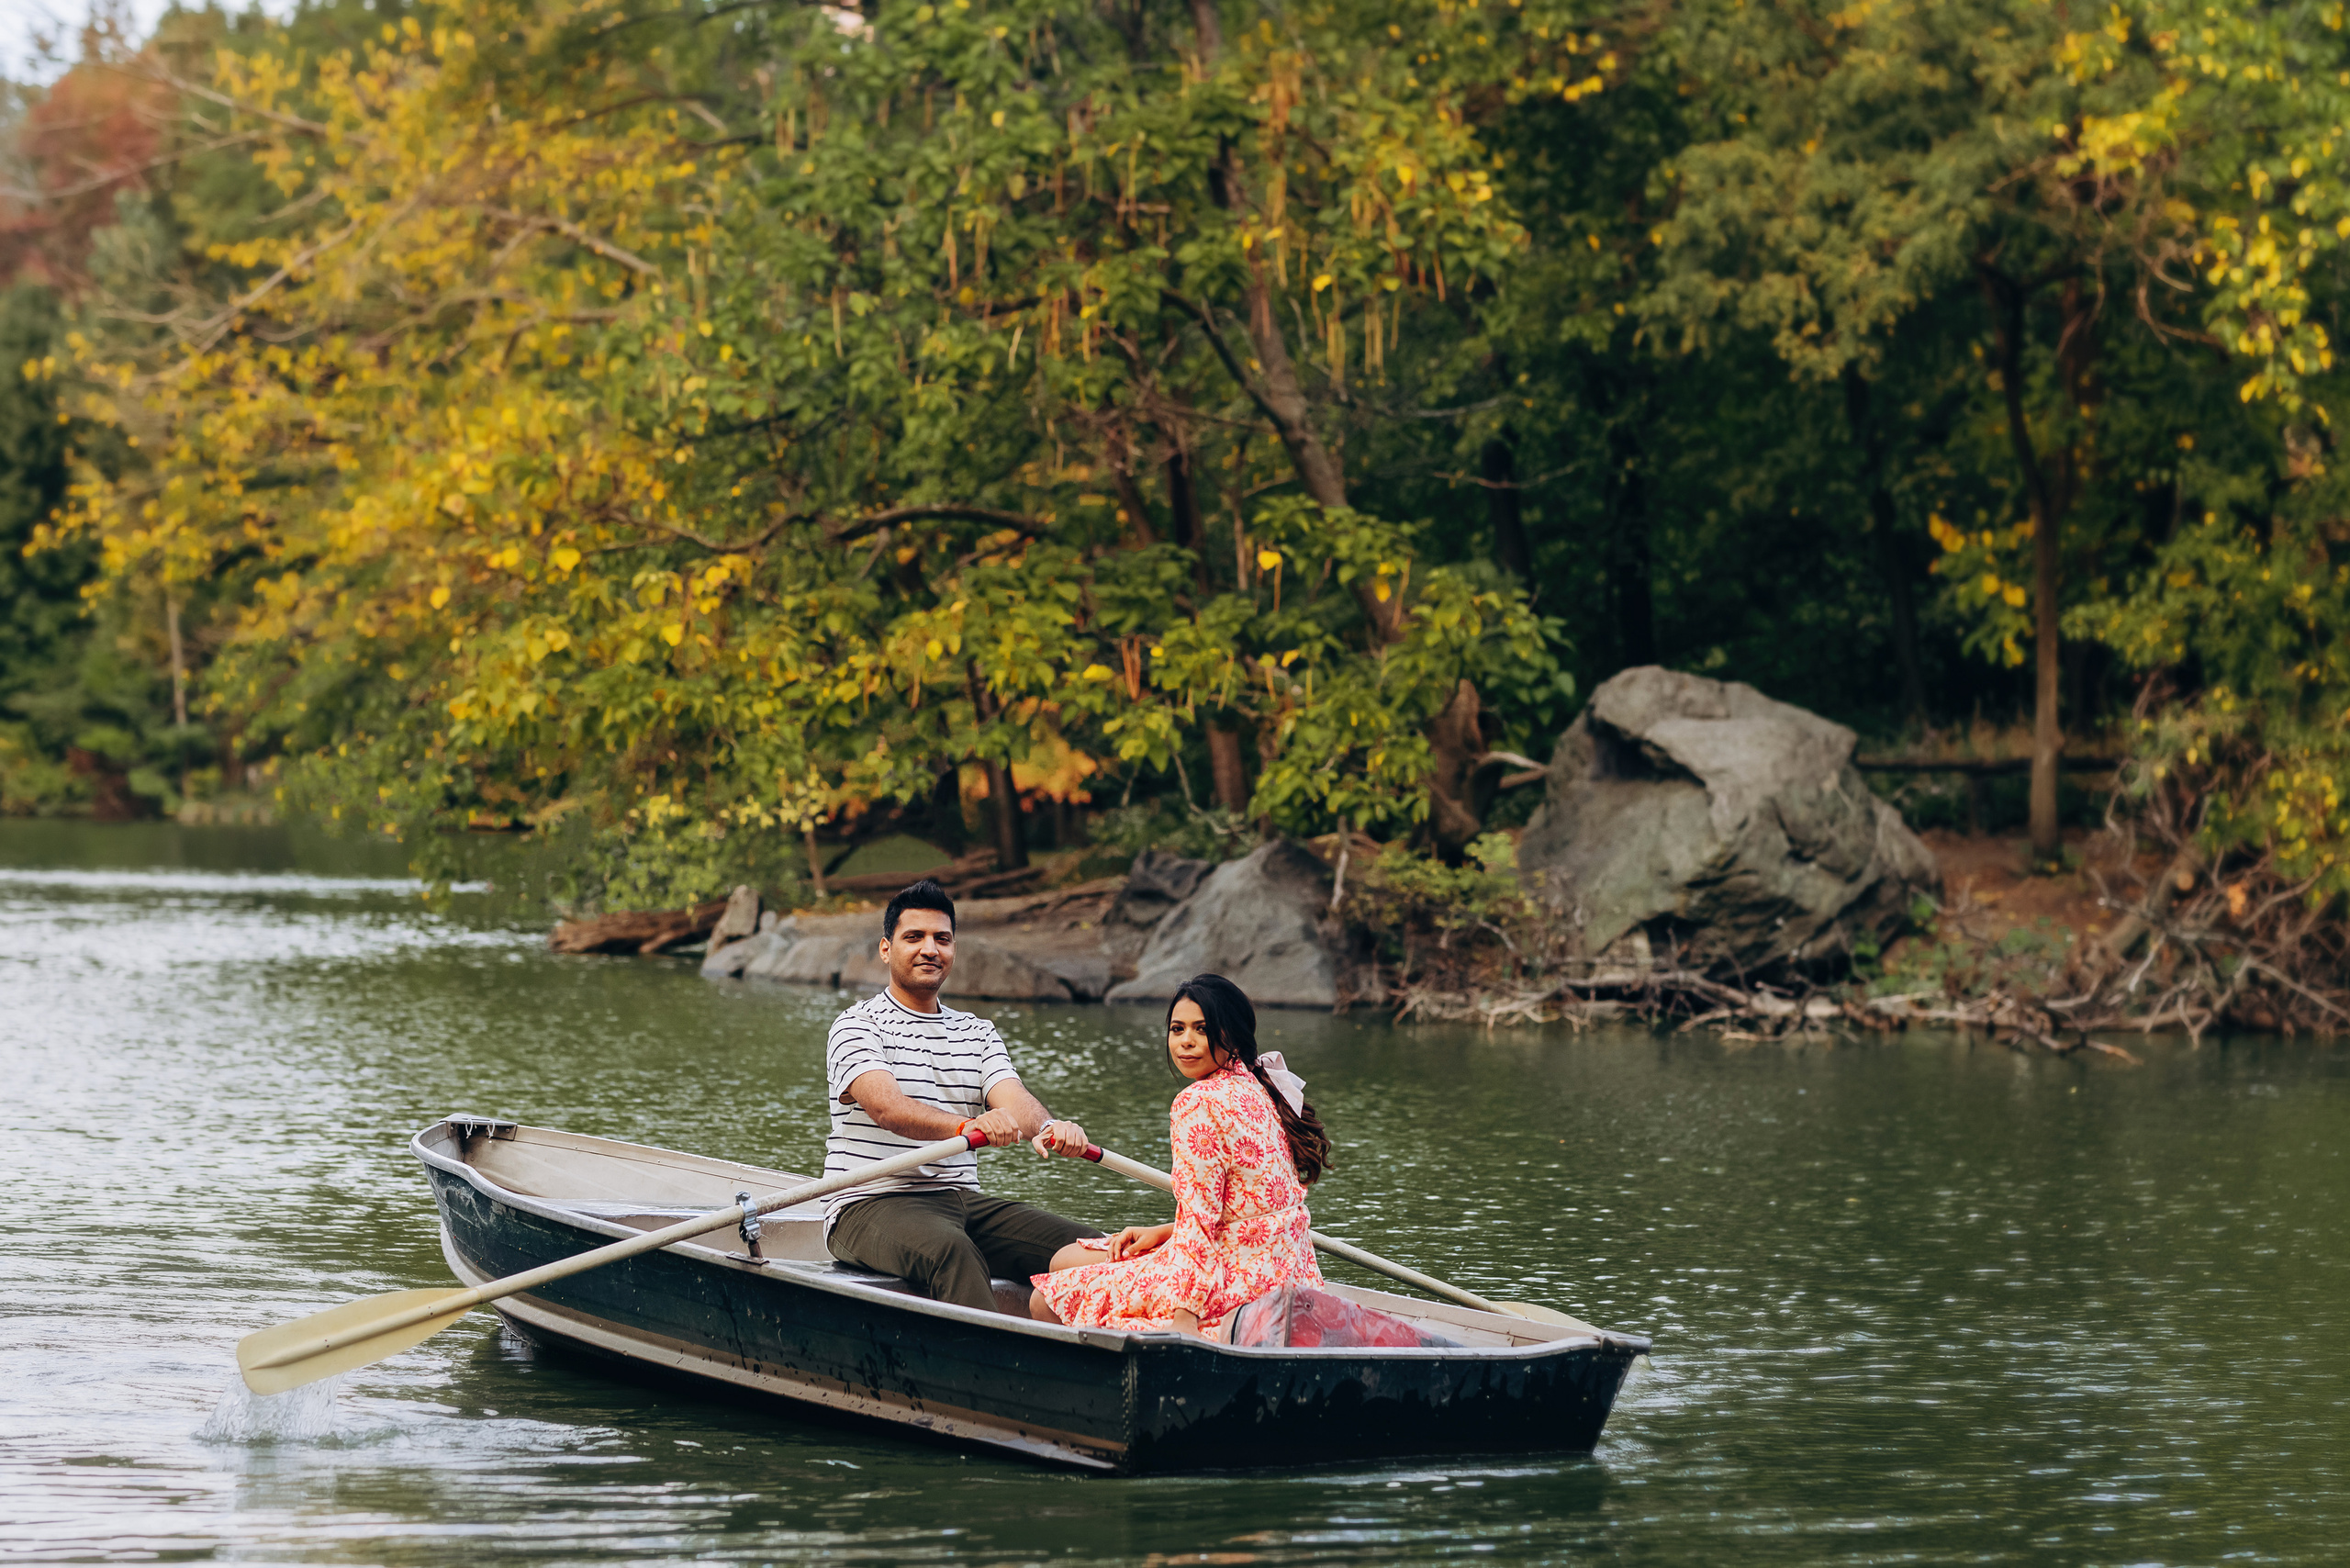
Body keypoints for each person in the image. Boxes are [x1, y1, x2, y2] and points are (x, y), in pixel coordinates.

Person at [823, 878, 1102, 1312]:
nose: (930, 949)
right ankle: (994, 1372)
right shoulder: (857, 1025)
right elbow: (887, 1108)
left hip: (961, 1201)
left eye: (942, 939)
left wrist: (1049, 1128)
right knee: (954, 1254)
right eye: (913, 937)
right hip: (868, 1204)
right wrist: (966, 1126)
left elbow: (1011, 1096)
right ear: (886, 949)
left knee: (1095, 1248)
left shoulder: (975, 1030)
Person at [1027, 973, 1331, 1337]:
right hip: (1286, 1270)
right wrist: (1162, 1233)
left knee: (1043, 1301)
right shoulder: (1259, 1086)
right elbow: (1249, 1210)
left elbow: (1201, 1223)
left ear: (1231, 1034)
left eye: (1202, 1029)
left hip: (1233, 1281)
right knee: (1064, 1259)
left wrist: (1185, 1317)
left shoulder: (1196, 1103)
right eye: (1177, 1029)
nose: (1186, 1042)